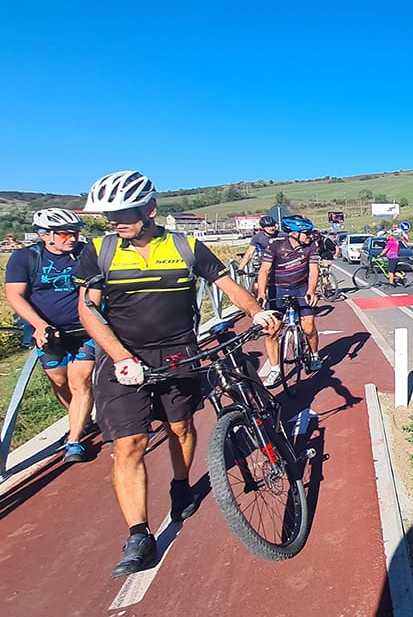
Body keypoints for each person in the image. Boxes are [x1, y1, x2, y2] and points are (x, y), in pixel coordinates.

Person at [76, 170, 279, 578]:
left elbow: (227, 285)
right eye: (109, 215)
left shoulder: (186, 247)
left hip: (179, 354)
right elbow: (88, 309)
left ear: (150, 210)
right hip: (123, 358)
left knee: (181, 429)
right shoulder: (99, 250)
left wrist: (256, 312)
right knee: (129, 444)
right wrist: (118, 356)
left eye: (123, 213)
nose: (114, 221)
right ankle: (138, 534)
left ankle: (180, 484)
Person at [4, 208, 96, 464]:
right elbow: (14, 295)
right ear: (46, 235)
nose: (73, 238)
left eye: (76, 233)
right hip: (49, 333)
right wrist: (38, 324)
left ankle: (74, 441)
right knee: (59, 381)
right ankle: (82, 418)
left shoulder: (85, 253)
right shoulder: (25, 258)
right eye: (66, 234)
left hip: (84, 330)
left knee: (81, 382)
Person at [257, 215, 322, 386]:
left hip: (301, 287)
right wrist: (262, 293)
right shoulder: (276, 246)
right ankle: (275, 370)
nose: (310, 236)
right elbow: (264, 271)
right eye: (306, 233)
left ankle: (314, 354)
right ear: (294, 234)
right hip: (277, 287)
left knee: (308, 327)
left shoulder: (311, 246)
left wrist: (311, 291)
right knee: (271, 330)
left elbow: (314, 270)